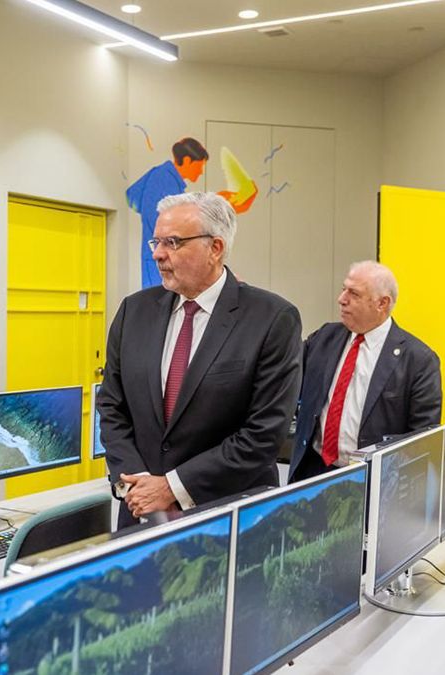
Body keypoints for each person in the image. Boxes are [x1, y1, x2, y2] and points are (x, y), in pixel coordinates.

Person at [98, 192, 302, 528]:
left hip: (228, 517)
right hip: (141, 512)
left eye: (173, 242)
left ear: (215, 248)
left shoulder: (271, 319)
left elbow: (263, 434)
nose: (158, 254)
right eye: (156, 242)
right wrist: (137, 482)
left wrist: (172, 487)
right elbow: (111, 406)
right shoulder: (134, 312)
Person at [288, 261, 442, 483]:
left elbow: (422, 440)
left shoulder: (418, 360)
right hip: (313, 470)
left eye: (354, 294)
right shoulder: (324, 338)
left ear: (382, 303)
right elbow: (287, 380)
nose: (342, 299)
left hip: (372, 480)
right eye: (344, 289)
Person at [126, 138, 209, 289]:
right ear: (187, 161)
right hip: (161, 261)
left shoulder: (164, 177)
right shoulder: (163, 180)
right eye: (199, 166)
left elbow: (133, 196)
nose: (201, 171)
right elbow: (166, 226)